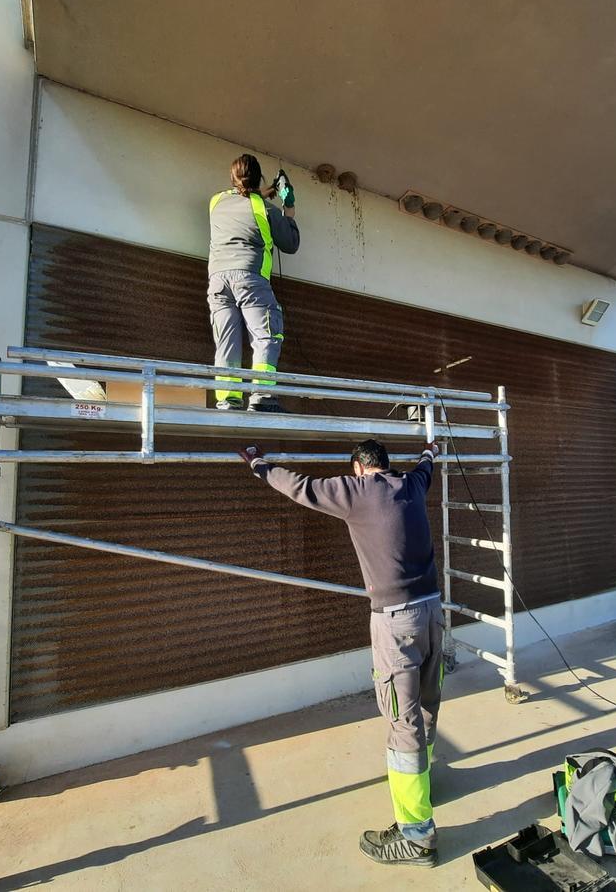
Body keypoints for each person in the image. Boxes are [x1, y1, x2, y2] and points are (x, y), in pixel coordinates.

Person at [237, 438, 445, 868]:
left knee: (402, 721)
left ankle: (417, 836)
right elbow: (427, 466)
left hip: (397, 623)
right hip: (432, 614)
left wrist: (259, 463)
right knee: (425, 706)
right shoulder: (410, 484)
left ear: (358, 468)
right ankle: (424, 788)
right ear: (386, 466)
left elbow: (301, 488)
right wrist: (431, 451)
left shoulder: (357, 492)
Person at [208, 153, 300, 414]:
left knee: (226, 340)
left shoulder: (216, 202)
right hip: (250, 279)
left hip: (217, 281)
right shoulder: (265, 209)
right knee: (266, 336)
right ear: (258, 177)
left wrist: (264, 192)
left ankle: (228, 399)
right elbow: (290, 244)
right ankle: (262, 398)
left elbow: (243, 199)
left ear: (232, 177)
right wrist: (288, 206)